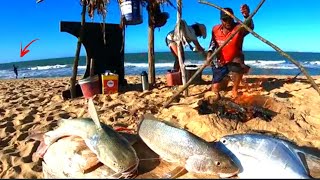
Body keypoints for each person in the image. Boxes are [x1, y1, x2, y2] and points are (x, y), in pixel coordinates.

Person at [206, 4, 254, 99]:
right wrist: (209, 54)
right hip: (220, 61)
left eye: (230, 19)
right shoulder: (215, 29)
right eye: (225, 19)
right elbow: (212, 42)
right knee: (216, 89)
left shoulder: (239, 28)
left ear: (233, 18)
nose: (228, 22)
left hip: (235, 60)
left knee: (238, 60)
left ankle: (235, 88)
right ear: (221, 20)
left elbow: (250, 26)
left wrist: (247, 16)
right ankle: (226, 77)